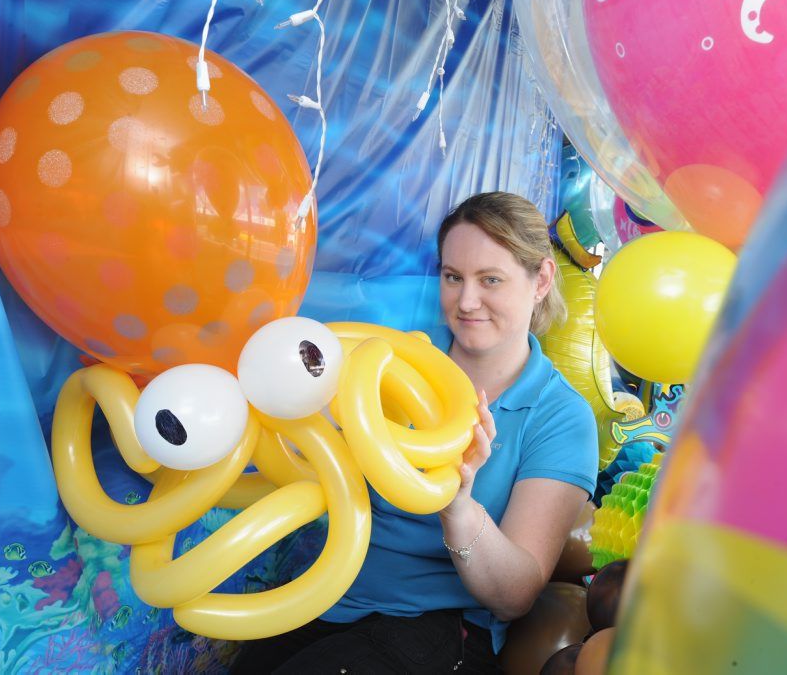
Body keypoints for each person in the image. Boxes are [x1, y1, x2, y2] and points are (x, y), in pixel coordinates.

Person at [231, 192, 598, 673]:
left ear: (541, 280)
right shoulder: (394, 367)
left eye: (490, 280)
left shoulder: (560, 416)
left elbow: (515, 596)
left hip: (443, 630)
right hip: (331, 598)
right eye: (453, 277)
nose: (466, 301)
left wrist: (455, 502)